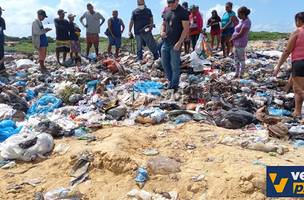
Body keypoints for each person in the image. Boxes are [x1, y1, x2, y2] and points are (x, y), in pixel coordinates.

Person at [274, 12, 304, 118]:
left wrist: (278, 66)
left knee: (299, 90)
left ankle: (297, 112)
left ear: (298, 21)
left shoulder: (297, 32)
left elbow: (287, 51)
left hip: (300, 62)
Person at [161, 0, 189, 91]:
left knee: (174, 65)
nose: (169, 4)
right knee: (164, 63)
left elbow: (186, 29)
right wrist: (162, 31)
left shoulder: (183, 12)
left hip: (176, 43)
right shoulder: (167, 11)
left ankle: (174, 85)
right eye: (168, 2)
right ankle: (170, 81)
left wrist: (179, 42)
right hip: (165, 42)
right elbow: (163, 24)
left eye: (171, 2)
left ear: (177, 1)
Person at [231, 7, 251, 79]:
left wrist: (232, 38)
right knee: (236, 59)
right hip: (236, 43)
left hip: (241, 43)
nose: (238, 16)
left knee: (241, 59)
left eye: (239, 14)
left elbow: (241, 34)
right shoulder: (242, 21)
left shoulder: (247, 22)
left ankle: (241, 74)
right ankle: (236, 73)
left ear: (243, 14)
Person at [0, 7, 6, 75]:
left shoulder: (2, 20)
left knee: (1, 55)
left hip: (1, 41)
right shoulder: (2, 20)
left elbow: (2, 31)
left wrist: (3, 40)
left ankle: (1, 68)